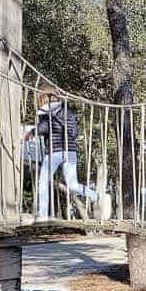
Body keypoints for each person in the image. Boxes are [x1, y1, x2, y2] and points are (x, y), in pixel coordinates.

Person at [26, 82, 99, 221]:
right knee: (73, 184)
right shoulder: (68, 111)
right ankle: (96, 196)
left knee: (43, 182)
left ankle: (42, 215)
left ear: (44, 97)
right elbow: (75, 132)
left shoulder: (47, 110)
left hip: (55, 151)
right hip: (70, 151)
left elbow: (44, 127)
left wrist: (32, 132)